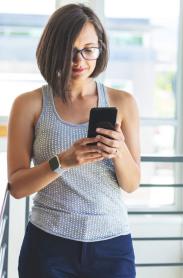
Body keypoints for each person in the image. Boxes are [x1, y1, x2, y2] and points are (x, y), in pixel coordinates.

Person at [7, 4, 140, 278]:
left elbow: (132, 184)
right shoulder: (29, 104)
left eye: (88, 49)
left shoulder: (122, 102)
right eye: (69, 51)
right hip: (48, 246)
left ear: (100, 49)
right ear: (52, 50)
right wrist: (63, 162)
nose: (79, 61)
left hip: (111, 246)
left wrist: (118, 150)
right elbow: (17, 187)